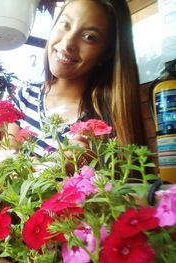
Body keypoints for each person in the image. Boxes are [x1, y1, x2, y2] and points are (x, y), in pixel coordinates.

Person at [8, 0, 146, 157]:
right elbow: (7, 168)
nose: (67, 43)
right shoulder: (25, 97)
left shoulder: (108, 121)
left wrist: (87, 165)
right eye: (65, 24)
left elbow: (126, 178)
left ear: (107, 54)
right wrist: (55, 166)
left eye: (89, 37)